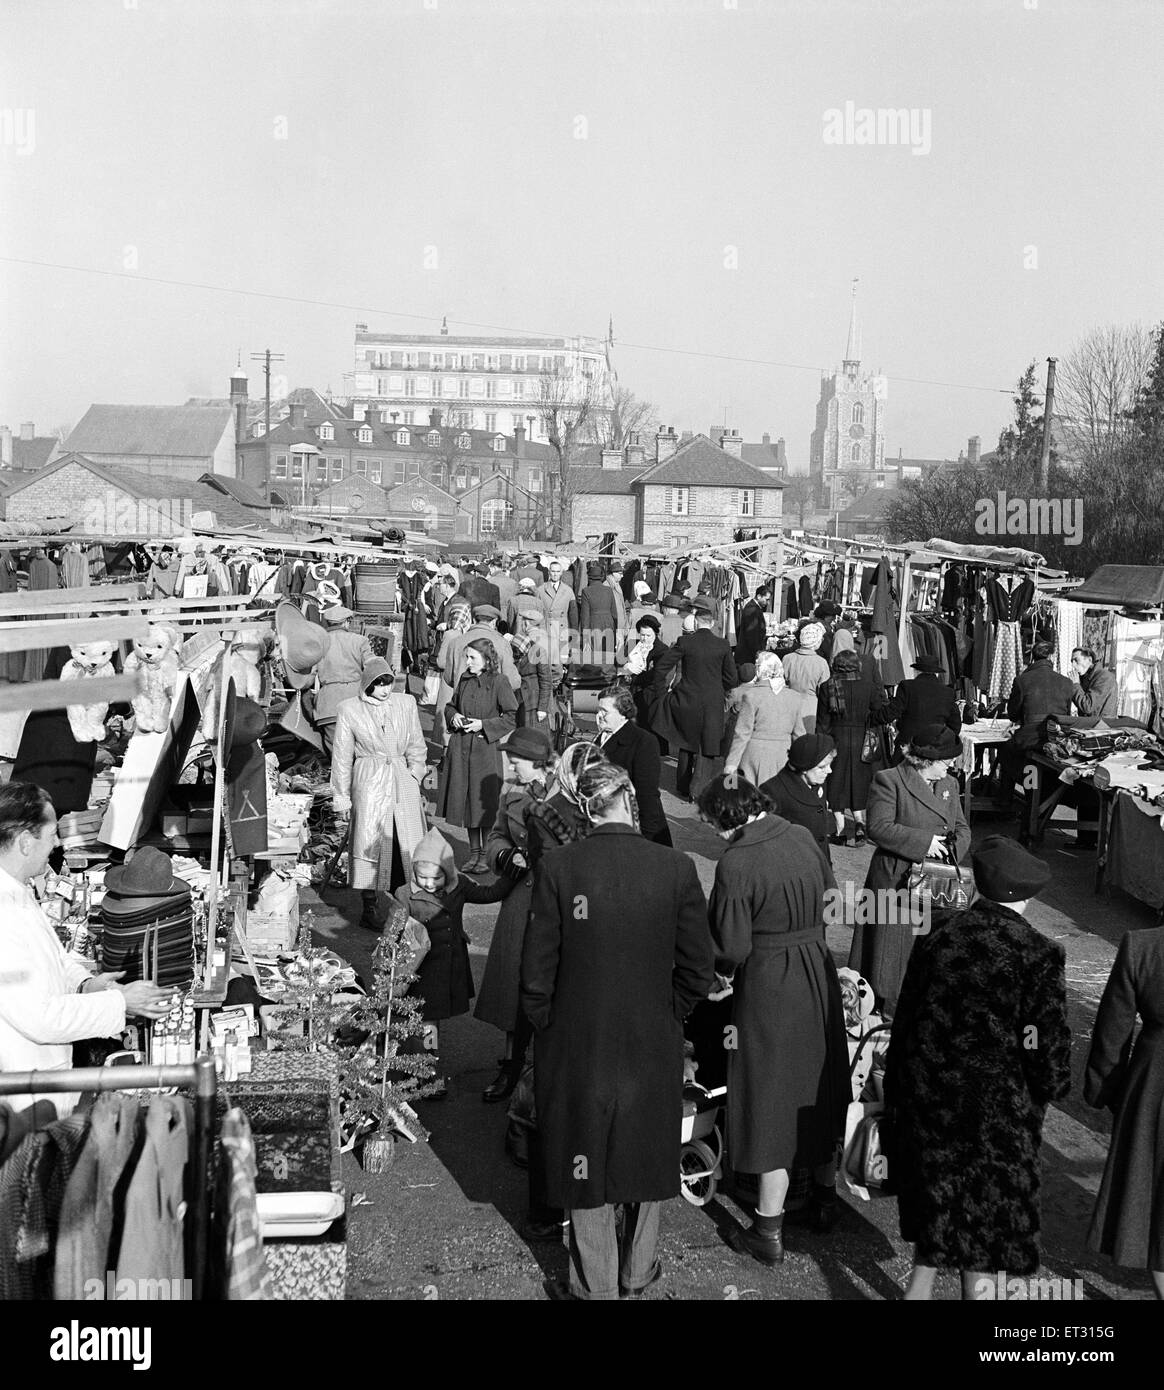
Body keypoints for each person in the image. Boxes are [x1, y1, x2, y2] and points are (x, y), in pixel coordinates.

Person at [521, 759, 716, 1300]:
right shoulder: (675, 868)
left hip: (578, 1037)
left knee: (584, 1152)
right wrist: (669, 1011)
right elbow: (699, 968)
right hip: (651, 1036)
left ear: (585, 807)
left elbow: (537, 966)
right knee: (647, 1153)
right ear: (629, 801)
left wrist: (547, 1022)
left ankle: (596, 1285)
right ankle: (637, 1273)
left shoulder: (561, 867)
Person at [887, 835, 1071, 1299]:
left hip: (933, 1104)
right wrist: (1048, 1087)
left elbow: (907, 1020)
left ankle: (918, 1294)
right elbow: (1041, 1042)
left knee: (940, 1208)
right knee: (987, 1228)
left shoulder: (940, 937)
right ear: (1026, 896)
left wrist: (902, 1088)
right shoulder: (1038, 954)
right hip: (1000, 1118)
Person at [699, 774, 849, 1263]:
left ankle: (767, 1231)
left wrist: (714, 970)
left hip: (769, 984)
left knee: (770, 1100)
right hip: (816, 970)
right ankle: (825, 1201)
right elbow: (831, 901)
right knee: (820, 1087)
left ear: (728, 818)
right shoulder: (802, 835)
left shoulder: (737, 862)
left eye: (712, 823)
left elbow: (731, 947)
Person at [0, 783, 172, 1110]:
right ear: (25, 842)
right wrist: (118, 1002)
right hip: (25, 1095)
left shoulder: (17, 889)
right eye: (51, 836)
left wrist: (86, 983)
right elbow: (40, 1018)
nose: (57, 844)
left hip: (45, 1078)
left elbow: (55, 958)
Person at [849, 723, 971, 1016]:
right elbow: (877, 827)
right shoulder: (889, 780)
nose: (952, 766)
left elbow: (963, 827)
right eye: (947, 761)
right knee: (890, 951)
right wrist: (924, 842)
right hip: (897, 877)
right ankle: (882, 1010)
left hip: (936, 877)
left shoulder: (949, 784)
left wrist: (950, 850)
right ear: (926, 760)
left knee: (927, 948)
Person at [394, 827, 507, 1099]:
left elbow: (487, 894)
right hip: (420, 968)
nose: (429, 883)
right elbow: (393, 929)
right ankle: (425, 1073)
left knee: (430, 1021)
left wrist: (511, 877)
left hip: (448, 965)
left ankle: (420, 1067)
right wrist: (389, 961)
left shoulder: (460, 885)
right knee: (427, 1022)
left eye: (436, 877)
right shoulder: (404, 894)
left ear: (448, 871)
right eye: (422, 877)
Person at [476, 726, 557, 1099]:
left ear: (538, 763)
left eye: (516, 760)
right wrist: (504, 855)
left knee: (550, 985)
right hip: (519, 897)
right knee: (513, 984)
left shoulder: (566, 793)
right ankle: (511, 1063)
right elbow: (495, 835)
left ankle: (545, 1069)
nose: (510, 765)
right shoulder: (511, 790)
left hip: (556, 902)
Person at [1085, 927, 1164, 1297]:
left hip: (1153, 1084)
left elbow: (1112, 1032)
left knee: (1148, 1189)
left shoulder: (1143, 945)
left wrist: (1108, 1093)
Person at [331, 658, 429, 931]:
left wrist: (414, 773)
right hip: (370, 780)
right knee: (370, 840)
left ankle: (410, 902)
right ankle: (370, 906)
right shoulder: (350, 710)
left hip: (401, 778)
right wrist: (342, 795)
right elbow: (341, 756)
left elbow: (416, 743)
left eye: (388, 682)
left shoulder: (405, 703)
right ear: (367, 684)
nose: (385, 689)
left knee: (405, 841)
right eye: (378, 683)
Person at [437, 639, 518, 874]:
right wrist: (453, 717)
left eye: (472, 657)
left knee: (483, 804)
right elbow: (451, 706)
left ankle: (485, 855)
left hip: (484, 751)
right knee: (467, 801)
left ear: (487, 659)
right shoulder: (464, 679)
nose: (468, 662)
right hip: (461, 747)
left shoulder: (499, 682)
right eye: (467, 657)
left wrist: (482, 725)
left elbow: (511, 716)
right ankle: (474, 854)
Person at [650, 595, 739, 801]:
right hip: (712, 701)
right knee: (707, 745)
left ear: (696, 622)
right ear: (713, 623)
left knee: (686, 741)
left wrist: (661, 692)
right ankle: (698, 788)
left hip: (687, 698)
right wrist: (721, 688)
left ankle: (682, 785)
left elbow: (662, 667)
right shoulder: (723, 645)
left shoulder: (685, 642)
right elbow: (732, 677)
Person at [816, 647, 887, 847]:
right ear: (857, 666)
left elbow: (823, 722)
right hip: (862, 738)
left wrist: (821, 747)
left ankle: (839, 830)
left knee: (837, 783)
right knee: (859, 783)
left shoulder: (827, 686)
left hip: (836, 739)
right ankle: (859, 824)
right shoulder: (868, 686)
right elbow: (878, 710)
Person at [995, 639, 1076, 809]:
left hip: (1029, 740)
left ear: (1032, 657)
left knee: (1007, 752)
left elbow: (1013, 713)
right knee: (1031, 767)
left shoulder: (1022, 680)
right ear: (1051, 657)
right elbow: (1066, 715)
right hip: (1056, 738)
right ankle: (1032, 801)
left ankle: (1005, 800)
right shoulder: (1066, 682)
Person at [594, 684, 671, 845]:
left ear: (623, 714)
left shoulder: (643, 742)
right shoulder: (601, 737)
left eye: (605, 711)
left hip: (631, 827)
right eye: (598, 710)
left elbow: (647, 794)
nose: (599, 715)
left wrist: (646, 838)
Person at [723, 650, 805, 787]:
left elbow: (742, 733)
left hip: (754, 755)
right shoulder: (795, 697)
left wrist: (731, 763)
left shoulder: (752, 695)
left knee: (754, 798)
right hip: (784, 754)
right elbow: (799, 734)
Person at [759, 733, 838, 862]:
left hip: (818, 867)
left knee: (849, 883)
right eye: (822, 767)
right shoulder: (773, 791)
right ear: (805, 767)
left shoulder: (816, 782)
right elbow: (762, 841)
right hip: (791, 869)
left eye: (830, 765)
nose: (829, 771)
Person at [313, 607, 373, 755]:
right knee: (361, 753)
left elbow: (308, 677)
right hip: (356, 702)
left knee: (338, 755)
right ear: (346, 622)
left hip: (328, 705)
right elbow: (372, 669)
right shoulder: (360, 641)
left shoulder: (318, 643)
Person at [886, 654, 961, 753]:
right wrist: (942, 741)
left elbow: (892, 712)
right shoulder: (947, 692)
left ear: (917, 671)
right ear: (936, 673)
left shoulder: (907, 686)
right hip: (933, 747)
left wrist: (872, 719)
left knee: (902, 768)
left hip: (907, 745)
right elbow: (955, 725)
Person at [442, 604, 521, 695]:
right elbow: (512, 683)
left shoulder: (456, 642)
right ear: (494, 622)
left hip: (461, 701)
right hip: (491, 704)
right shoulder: (503, 643)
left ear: (474, 620)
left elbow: (448, 678)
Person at [432, 598, 473, 749]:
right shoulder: (470, 635)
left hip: (449, 683)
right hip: (465, 683)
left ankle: (444, 756)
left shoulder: (450, 635)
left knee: (446, 719)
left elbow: (441, 662)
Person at [779, 621, 831, 734]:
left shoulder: (787, 658)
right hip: (810, 709)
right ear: (817, 641)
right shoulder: (821, 663)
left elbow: (781, 684)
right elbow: (824, 692)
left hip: (788, 705)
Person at [508, 609, 552, 728]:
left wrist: (542, 707)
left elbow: (545, 679)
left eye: (522, 622)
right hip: (534, 698)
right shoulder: (547, 639)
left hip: (531, 698)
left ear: (526, 624)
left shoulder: (520, 642)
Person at [535, 560, 579, 672]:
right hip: (547, 629)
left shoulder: (568, 591)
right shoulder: (540, 590)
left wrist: (573, 634)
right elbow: (538, 612)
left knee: (563, 660)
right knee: (547, 661)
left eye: (558, 571)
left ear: (561, 573)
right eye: (553, 571)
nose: (555, 574)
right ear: (549, 572)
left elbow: (573, 614)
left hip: (562, 630)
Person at [1071, 647, 1119, 717]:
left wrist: (1075, 685)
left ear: (1089, 660)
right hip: (1091, 724)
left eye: (1076, 660)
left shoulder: (1104, 677)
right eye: (1072, 661)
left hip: (1102, 725)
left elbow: (1088, 706)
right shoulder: (1085, 678)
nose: (1073, 665)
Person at [734, 584, 771, 669]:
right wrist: (757, 653)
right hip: (748, 655)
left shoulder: (754, 608)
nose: (768, 603)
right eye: (766, 599)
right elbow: (751, 634)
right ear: (759, 596)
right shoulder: (752, 609)